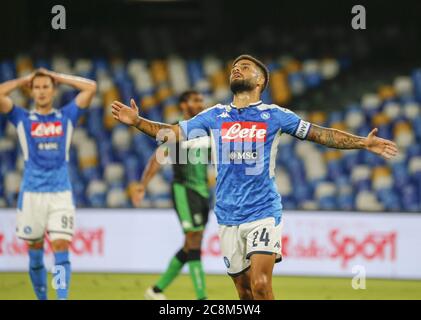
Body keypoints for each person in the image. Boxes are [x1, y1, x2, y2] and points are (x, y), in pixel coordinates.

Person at [111, 54, 398, 300]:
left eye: (246, 67)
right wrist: (138, 122)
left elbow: (320, 134)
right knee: (245, 292)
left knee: (261, 286)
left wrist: (362, 142)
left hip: (262, 210)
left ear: (260, 81)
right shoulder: (215, 115)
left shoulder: (275, 115)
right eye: (235, 66)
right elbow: (171, 134)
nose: (237, 68)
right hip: (227, 215)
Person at [0, 68, 97, 300]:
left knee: (61, 246)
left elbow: (91, 87)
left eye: (46, 87)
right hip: (32, 194)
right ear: (31, 92)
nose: (42, 91)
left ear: (53, 91)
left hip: (60, 193)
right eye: (37, 87)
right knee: (35, 252)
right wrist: (24, 79)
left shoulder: (66, 116)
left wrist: (58, 77)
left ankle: (61, 298)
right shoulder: (22, 118)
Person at [130, 90, 210, 300]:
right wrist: (143, 184)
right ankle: (202, 298)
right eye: (195, 100)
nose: (200, 103)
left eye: (201, 100)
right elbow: (158, 158)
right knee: (193, 240)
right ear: (183, 105)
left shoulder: (206, 130)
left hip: (203, 193)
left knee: (192, 243)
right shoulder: (177, 130)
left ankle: (156, 290)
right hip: (184, 190)